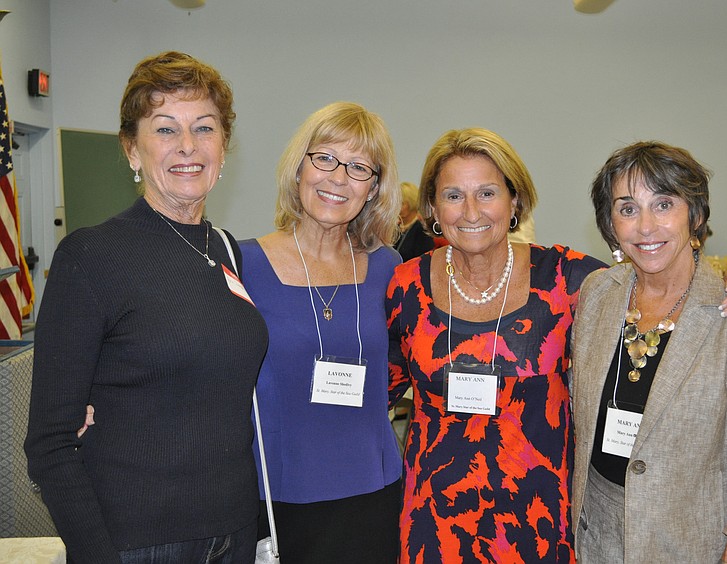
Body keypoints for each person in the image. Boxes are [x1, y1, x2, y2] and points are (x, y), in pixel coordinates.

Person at [386, 129, 727, 563]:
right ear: (433, 208)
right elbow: (375, 391)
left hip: (540, 521)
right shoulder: (406, 286)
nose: (471, 210)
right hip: (435, 520)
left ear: (515, 202)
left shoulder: (570, 281)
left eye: (488, 192)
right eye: (453, 195)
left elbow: (650, 276)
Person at [24, 52, 268, 563]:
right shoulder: (90, 258)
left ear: (224, 149)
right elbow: (50, 442)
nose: (187, 146)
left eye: (204, 127)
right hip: (138, 543)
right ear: (132, 149)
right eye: (164, 129)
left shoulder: (226, 250)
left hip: (236, 533)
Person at [572, 141, 727, 563]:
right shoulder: (598, 294)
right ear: (609, 224)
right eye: (626, 208)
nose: (644, 226)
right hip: (594, 540)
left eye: (663, 204)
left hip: (693, 545)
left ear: (694, 214)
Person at [239, 101, 403, 563]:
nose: (337, 178)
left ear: (373, 189)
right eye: (325, 158)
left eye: (358, 167)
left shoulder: (389, 269)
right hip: (276, 497)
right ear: (299, 169)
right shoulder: (242, 264)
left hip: (374, 492)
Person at [394, 181, 438, 261]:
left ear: (411, 203)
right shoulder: (394, 228)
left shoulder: (422, 231)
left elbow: (425, 260)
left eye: (402, 203)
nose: (397, 207)